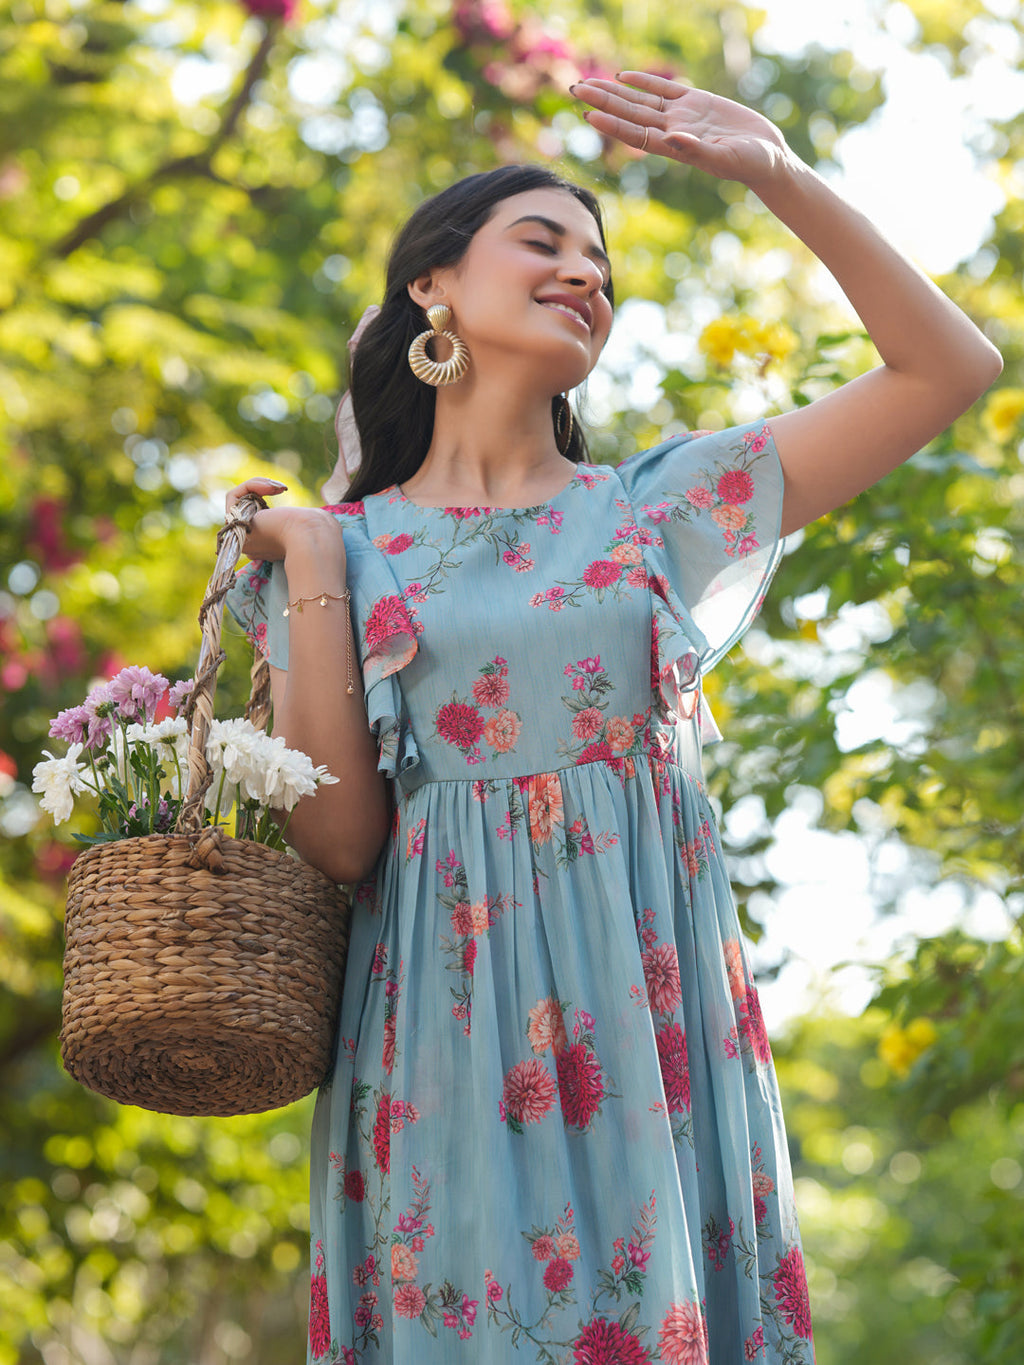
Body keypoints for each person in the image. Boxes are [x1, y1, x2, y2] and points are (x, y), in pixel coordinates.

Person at [224, 72, 1000, 1365]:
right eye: (543, 242)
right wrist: (308, 552)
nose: (585, 273)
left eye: (600, 263)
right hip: (444, 1059)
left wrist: (776, 173)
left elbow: (951, 367)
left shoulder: (656, 509)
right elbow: (345, 840)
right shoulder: (342, 551)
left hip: (654, 1047)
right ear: (432, 284)